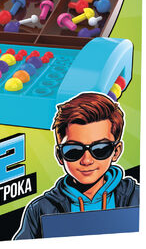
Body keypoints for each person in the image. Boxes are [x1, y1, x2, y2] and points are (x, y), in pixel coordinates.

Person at [13, 92, 139, 239]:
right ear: (60, 155)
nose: (87, 160)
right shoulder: (40, 210)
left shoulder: (138, 198)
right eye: (73, 151)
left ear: (116, 151)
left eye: (100, 149)